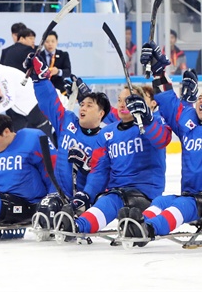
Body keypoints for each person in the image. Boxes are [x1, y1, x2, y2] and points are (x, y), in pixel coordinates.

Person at [119, 42, 202, 244]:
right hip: (193, 197)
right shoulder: (189, 123)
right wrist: (157, 69)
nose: (201, 99)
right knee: (162, 201)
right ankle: (139, 223)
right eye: (201, 96)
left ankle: (150, 229)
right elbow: (169, 102)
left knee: (184, 205)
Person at [54, 86, 171, 239]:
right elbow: (99, 170)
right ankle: (77, 226)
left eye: (128, 101)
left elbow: (162, 140)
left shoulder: (152, 122)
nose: (122, 105)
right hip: (118, 192)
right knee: (108, 201)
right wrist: (87, 194)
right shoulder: (107, 133)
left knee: (118, 201)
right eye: (119, 100)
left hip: (147, 193)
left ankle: (143, 226)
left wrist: (146, 119)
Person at [27, 51, 111, 232]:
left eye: (90, 106)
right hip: (61, 194)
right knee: (44, 211)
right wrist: (40, 79)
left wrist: (86, 169)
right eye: (82, 104)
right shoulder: (68, 123)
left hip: (88, 199)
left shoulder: (105, 139)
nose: (83, 108)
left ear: (101, 114)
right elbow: (50, 101)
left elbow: (104, 175)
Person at [0, 58, 51, 136]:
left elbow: (9, 100)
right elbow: (1, 98)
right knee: (18, 136)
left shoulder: (3, 77)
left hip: (34, 107)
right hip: (21, 111)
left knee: (44, 137)